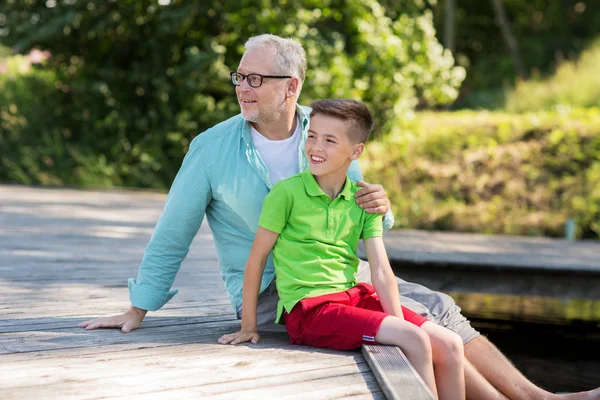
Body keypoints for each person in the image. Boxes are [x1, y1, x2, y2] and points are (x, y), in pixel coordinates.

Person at [78, 34, 600, 400]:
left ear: (292, 86)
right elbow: (174, 231)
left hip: (339, 277)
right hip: (276, 295)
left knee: (436, 305)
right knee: (424, 319)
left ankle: (531, 397)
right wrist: (138, 308)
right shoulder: (212, 149)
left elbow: (360, 213)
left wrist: (383, 209)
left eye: (257, 78)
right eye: (240, 75)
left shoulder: (327, 131)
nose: (243, 86)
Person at [218, 99, 466, 399]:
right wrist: (248, 326)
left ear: (356, 151)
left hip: (352, 298)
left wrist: (395, 318)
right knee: (413, 339)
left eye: (329, 140)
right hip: (309, 310)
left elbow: (381, 270)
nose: (315, 147)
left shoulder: (362, 199)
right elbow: (256, 261)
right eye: (312, 136)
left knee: (450, 344)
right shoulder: (286, 194)